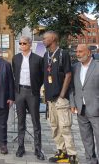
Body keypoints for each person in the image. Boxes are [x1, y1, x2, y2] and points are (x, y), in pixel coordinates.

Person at [43, 31, 77, 164]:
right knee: (54, 127)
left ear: (53, 38)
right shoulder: (46, 55)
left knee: (65, 127)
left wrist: (62, 94)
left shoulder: (63, 54)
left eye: (45, 38)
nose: (43, 40)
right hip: (50, 99)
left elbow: (68, 75)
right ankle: (61, 152)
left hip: (61, 99)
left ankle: (72, 156)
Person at [12, 36, 45, 160]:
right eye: (20, 43)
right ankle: (21, 147)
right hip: (20, 92)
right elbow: (14, 74)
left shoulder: (38, 59)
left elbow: (42, 76)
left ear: (30, 44)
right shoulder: (16, 58)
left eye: (24, 43)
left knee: (36, 122)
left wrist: (36, 88)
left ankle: (38, 149)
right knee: (21, 122)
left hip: (32, 93)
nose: (22, 45)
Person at [70, 44, 99, 164]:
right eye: (77, 51)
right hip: (81, 109)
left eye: (81, 51)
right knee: (86, 138)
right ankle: (90, 160)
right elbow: (72, 88)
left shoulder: (97, 66)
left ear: (88, 53)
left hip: (96, 108)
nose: (78, 54)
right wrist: (72, 103)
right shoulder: (75, 67)